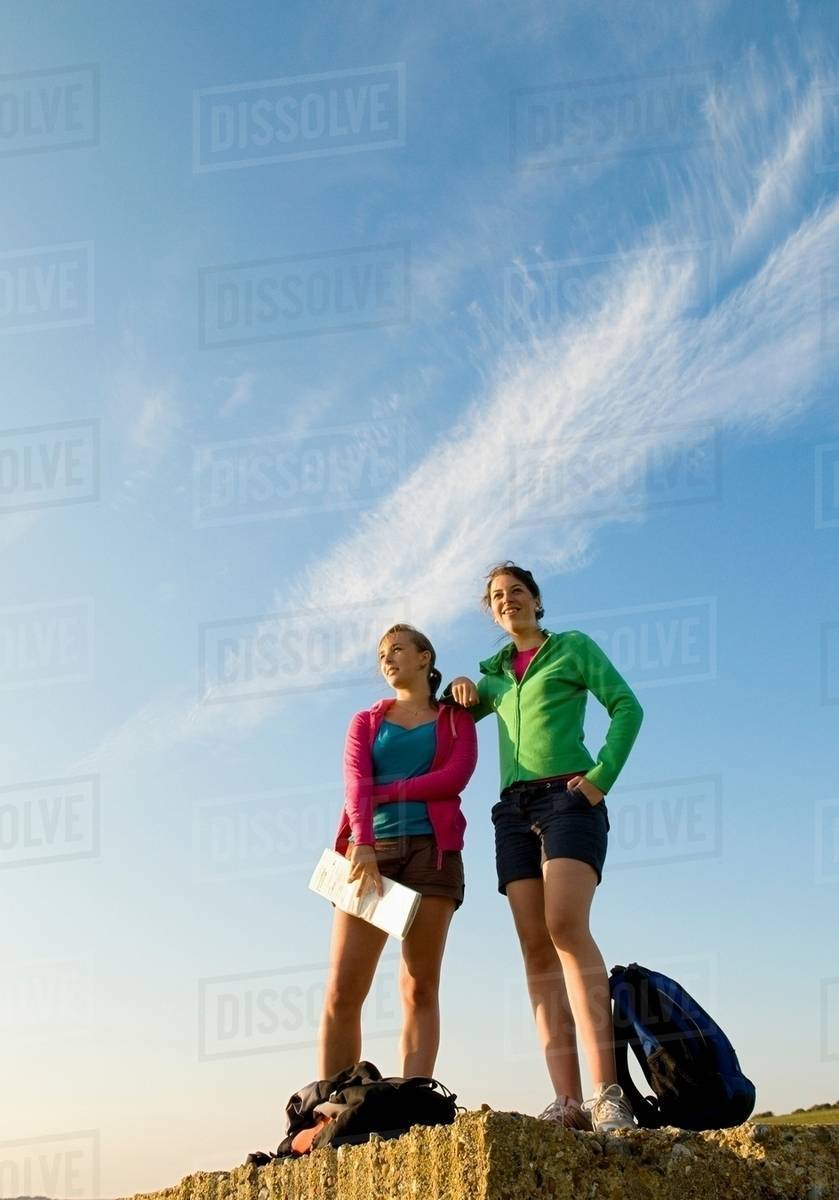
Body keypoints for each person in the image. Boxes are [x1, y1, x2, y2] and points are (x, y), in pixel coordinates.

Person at [446, 562, 643, 1133]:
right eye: (496, 597)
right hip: (511, 811)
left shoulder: (572, 648)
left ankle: (609, 1094)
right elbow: (450, 711)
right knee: (535, 949)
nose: (507, 601)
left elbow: (627, 706)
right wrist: (458, 686)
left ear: (536, 600)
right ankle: (569, 1100)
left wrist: (602, 777)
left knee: (565, 927)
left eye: (516, 592)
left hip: (569, 799)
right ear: (491, 611)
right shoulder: (493, 679)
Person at [319, 624, 477, 1079]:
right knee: (343, 991)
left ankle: (414, 1100)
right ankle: (333, 1107)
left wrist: (387, 791)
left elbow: (454, 779)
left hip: (434, 854)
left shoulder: (455, 720)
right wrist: (363, 845)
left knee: (420, 989)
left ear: (425, 657)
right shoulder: (365, 722)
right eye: (382, 655)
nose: (387, 660)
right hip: (371, 852)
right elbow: (355, 786)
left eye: (397, 650)